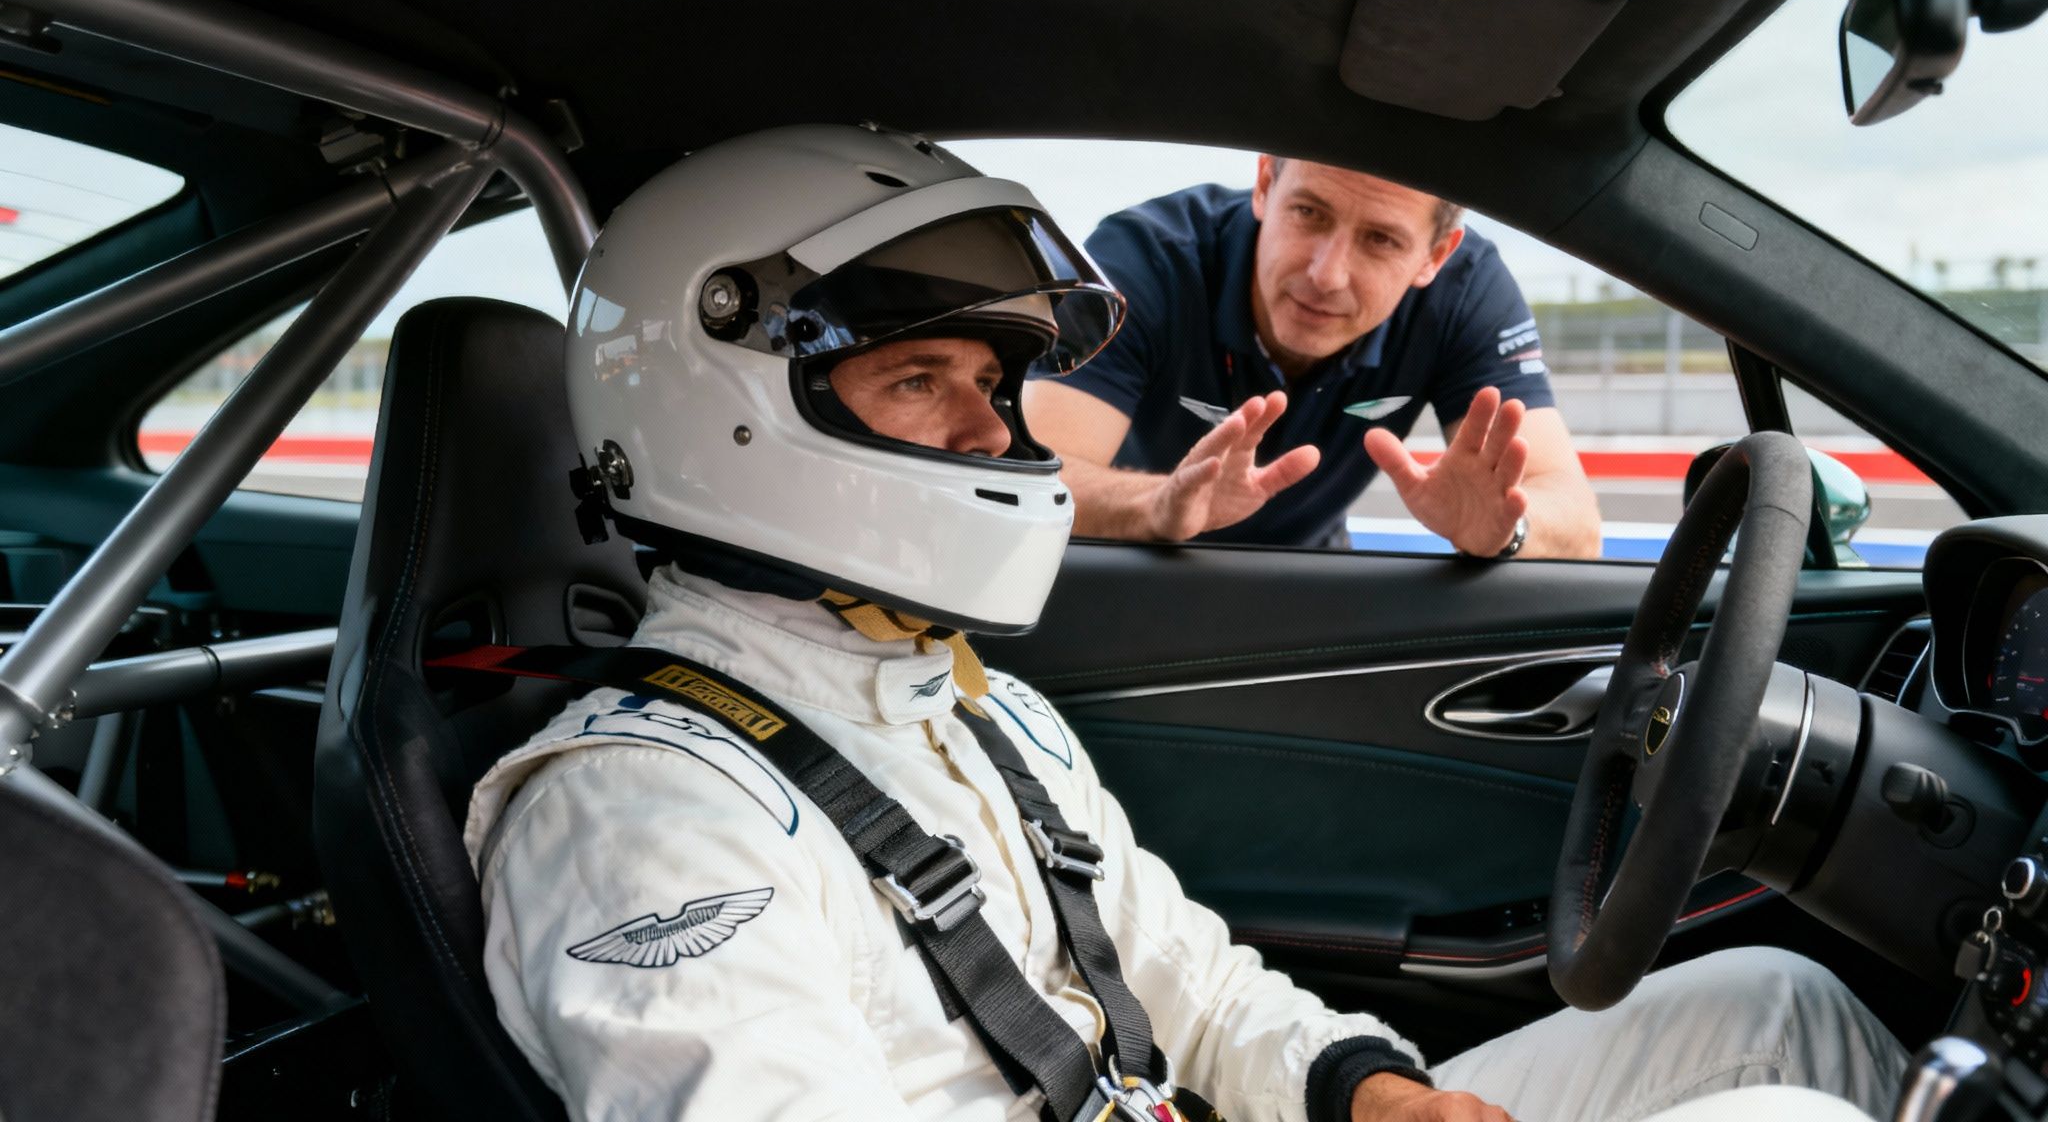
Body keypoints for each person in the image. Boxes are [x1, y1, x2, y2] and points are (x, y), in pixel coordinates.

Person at [463, 124, 1902, 1121]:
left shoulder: (977, 707)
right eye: (921, 383)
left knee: (1783, 1006)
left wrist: (1369, 1093)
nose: (997, 433)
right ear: (728, 411)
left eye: (992, 380)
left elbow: (1189, 987)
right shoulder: (645, 818)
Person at [1023, 157, 1603, 557]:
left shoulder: (1467, 291)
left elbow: (1576, 523)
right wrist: (1159, 505)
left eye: (1381, 240)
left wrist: (1508, 530)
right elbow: (1032, 481)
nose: (1326, 274)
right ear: (1265, 185)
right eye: (1309, 213)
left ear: (1435, 255)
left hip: (1310, 578)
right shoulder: (1144, 257)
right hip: (1137, 560)